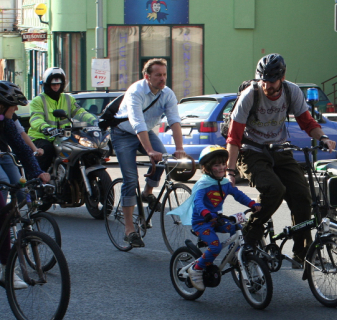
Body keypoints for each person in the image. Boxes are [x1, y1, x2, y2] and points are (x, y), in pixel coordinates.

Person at [226, 53, 336, 264]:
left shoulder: (291, 91)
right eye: (263, 80)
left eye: (271, 80)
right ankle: (249, 238)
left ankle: (303, 255)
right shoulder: (250, 95)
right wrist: (230, 172)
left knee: (302, 196)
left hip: (279, 150)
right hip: (251, 151)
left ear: (282, 77)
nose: (267, 85)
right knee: (274, 189)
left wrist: (323, 138)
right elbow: (234, 137)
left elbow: (307, 122)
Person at [111, 58, 186, 248]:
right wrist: (149, 151)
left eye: (164, 75)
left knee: (164, 159)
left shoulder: (167, 94)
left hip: (146, 131)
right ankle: (129, 229)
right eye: (158, 75)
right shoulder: (136, 91)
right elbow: (137, 122)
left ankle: (147, 192)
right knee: (130, 178)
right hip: (123, 132)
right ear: (147, 76)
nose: (162, 79)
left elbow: (174, 121)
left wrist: (179, 148)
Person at [167, 145, 261, 291]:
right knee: (215, 246)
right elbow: (198, 203)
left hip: (216, 219)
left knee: (235, 227)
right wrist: (205, 213)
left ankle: (235, 255)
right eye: (217, 165)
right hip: (201, 222)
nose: (222, 167)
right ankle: (196, 269)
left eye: (223, 164)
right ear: (207, 168)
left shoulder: (224, 184)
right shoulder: (203, 185)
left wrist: (252, 204)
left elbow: (238, 195)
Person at [0, 81, 51, 289]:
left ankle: (7, 269)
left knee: (20, 186)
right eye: (14, 106)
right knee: (2, 193)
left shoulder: (7, 121)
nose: (17, 110)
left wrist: (38, 172)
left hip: (2, 155)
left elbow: (21, 148)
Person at [27, 67, 97, 172]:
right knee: (47, 150)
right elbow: (36, 118)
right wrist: (46, 128)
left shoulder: (68, 99)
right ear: (47, 84)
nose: (56, 86)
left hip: (64, 137)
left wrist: (94, 121)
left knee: (82, 150)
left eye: (58, 84)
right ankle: (40, 180)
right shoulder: (38, 100)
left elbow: (80, 112)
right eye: (53, 84)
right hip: (42, 137)